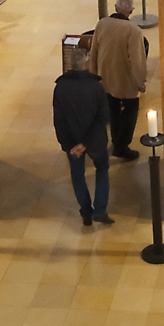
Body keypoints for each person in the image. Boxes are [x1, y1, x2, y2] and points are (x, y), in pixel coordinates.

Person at [53, 46, 113, 226]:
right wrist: (86, 143)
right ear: (86, 63)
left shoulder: (61, 87)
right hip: (94, 141)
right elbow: (103, 118)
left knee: (77, 174)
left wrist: (69, 144)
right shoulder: (95, 87)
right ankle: (100, 210)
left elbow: (59, 119)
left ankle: (86, 211)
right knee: (102, 168)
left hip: (71, 141)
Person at [89, 0, 148, 161]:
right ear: (131, 11)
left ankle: (116, 142)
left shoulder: (102, 23)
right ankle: (122, 146)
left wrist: (94, 77)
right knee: (130, 110)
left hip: (105, 78)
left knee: (113, 110)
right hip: (125, 81)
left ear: (115, 8)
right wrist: (140, 82)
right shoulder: (133, 31)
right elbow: (136, 60)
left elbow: (94, 52)